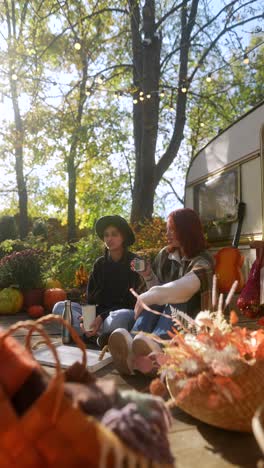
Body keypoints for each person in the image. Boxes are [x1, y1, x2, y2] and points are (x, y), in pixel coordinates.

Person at [108, 208, 214, 375]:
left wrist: (148, 296)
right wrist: (148, 276)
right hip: (165, 317)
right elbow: (157, 292)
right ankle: (133, 346)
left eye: (172, 229)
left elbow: (185, 288)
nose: (167, 234)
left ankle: (155, 348)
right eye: (167, 229)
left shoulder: (204, 260)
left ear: (186, 229)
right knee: (159, 299)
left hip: (193, 323)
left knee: (173, 297)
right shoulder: (165, 254)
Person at [53, 215, 145, 347]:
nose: (109, 238)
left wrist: (101, 318)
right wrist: (87, 317)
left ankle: (90, 334)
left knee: (119, 319)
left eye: (114, 234)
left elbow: (132, 302)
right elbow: (90, 298)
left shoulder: (136, 262)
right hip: (97, 316)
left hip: (116, 316)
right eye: (106, 235)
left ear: (123, 237)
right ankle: (96, 335)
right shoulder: (99, 264)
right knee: (60, 308)